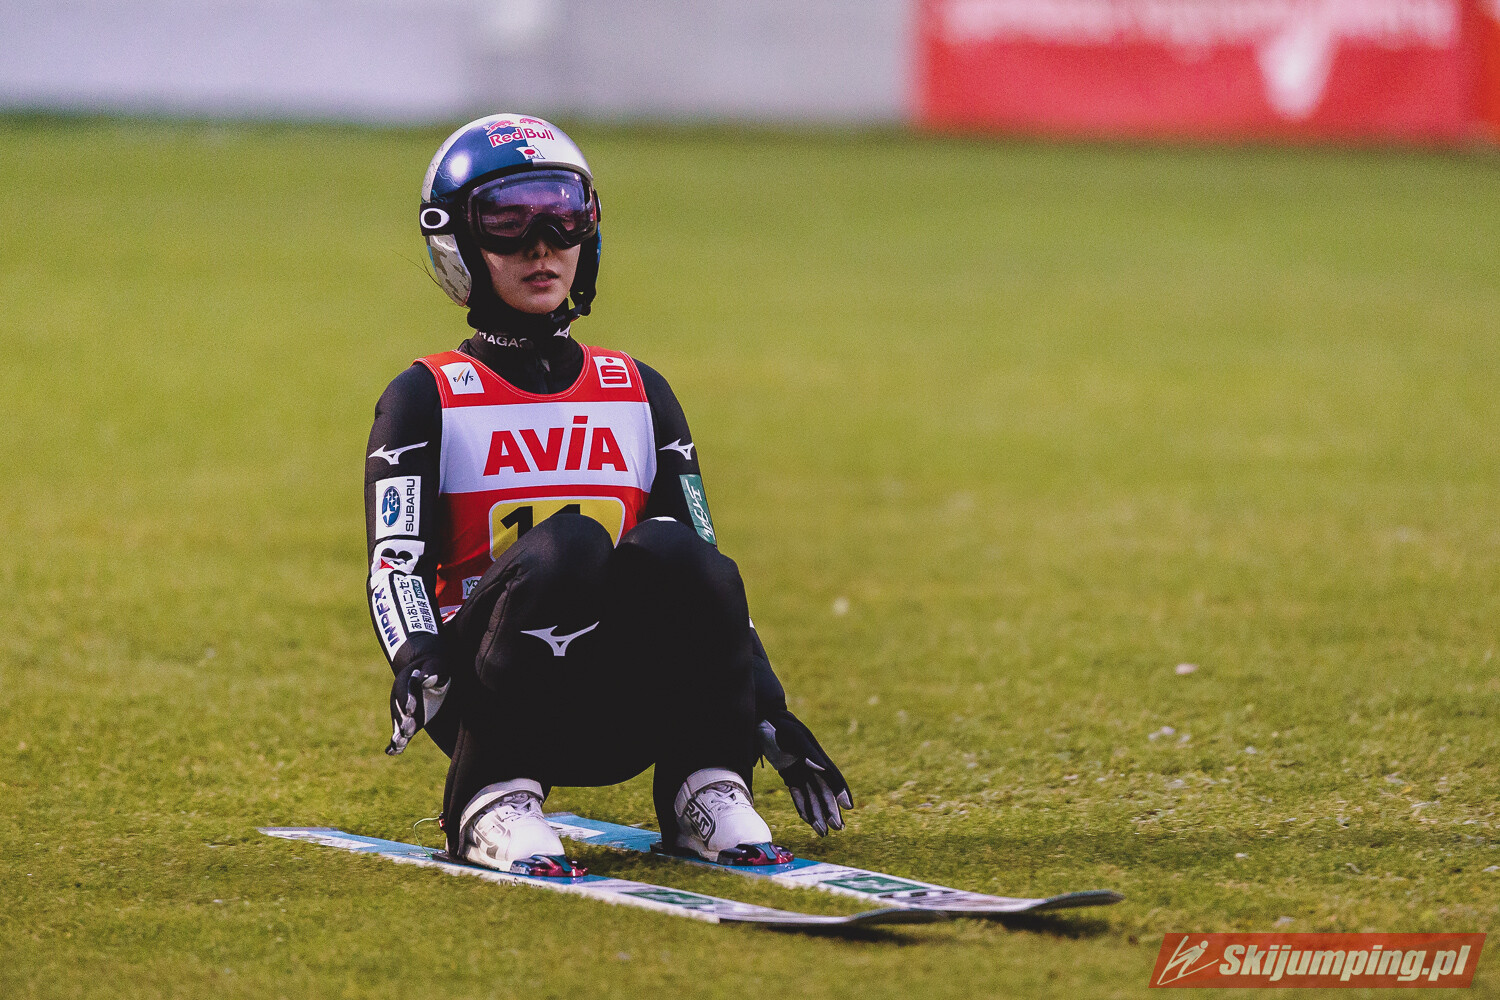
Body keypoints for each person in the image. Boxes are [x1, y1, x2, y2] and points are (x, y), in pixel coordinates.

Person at [364, 114, 852, 873]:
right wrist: (416, 655)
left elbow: (708, 574)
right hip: (482, 696)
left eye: (562, 215)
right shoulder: (426, 396)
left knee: (675, 550)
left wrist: (766, 703)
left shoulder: (638, 390)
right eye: (507, 221)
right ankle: (489, 798)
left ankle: (705, 783)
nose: (541, 245)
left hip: (626, 703)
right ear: (456, 242)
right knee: (571, 542)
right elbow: (395, 563)